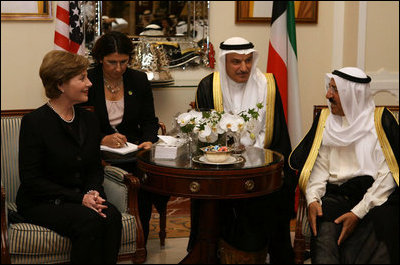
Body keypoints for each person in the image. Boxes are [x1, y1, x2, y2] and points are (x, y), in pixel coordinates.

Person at [190, 37, 297, 263]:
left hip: (261, 166)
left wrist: (253, 157)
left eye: (248, 61)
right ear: (224, 62)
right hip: (221, 168)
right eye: (236, 62)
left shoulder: (267, 85)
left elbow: (276, 132)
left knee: (274, 192)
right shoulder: (209, 86)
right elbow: (205, 136)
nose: (244, 68)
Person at [16, 50, 122, 264]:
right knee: (88, 221)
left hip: (81, 197)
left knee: (111, 216)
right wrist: (79, 199)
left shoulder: (89, 119)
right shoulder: (34, 123)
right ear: (60, 85)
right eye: (82, 78)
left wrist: (93, 192)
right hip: (42, 202)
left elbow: (94, 168)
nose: (90, 83)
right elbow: (31, 180)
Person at [289, 67, 399, 263]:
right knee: (323, 230)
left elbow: (387, 176)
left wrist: (358, 213)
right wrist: (313, 199)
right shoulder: (327, 121)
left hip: (376, 199)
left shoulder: (379, 122)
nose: (328, 95)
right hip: (338, 194)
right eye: (329, 88)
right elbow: (318, 166)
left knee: (384, 227)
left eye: (335, 90)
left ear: (353, 95)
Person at [80, 31, 169, 244]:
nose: (118, 68)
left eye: (123, 62)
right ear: (100, 59)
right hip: (95, 153)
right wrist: (102, 139)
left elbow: (150, 120)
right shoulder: (87, 81)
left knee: (144, 184)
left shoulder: (138, 80)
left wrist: (149, 140)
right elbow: (80, 124)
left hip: (133, 152)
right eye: (112, 62)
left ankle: (140, 241)